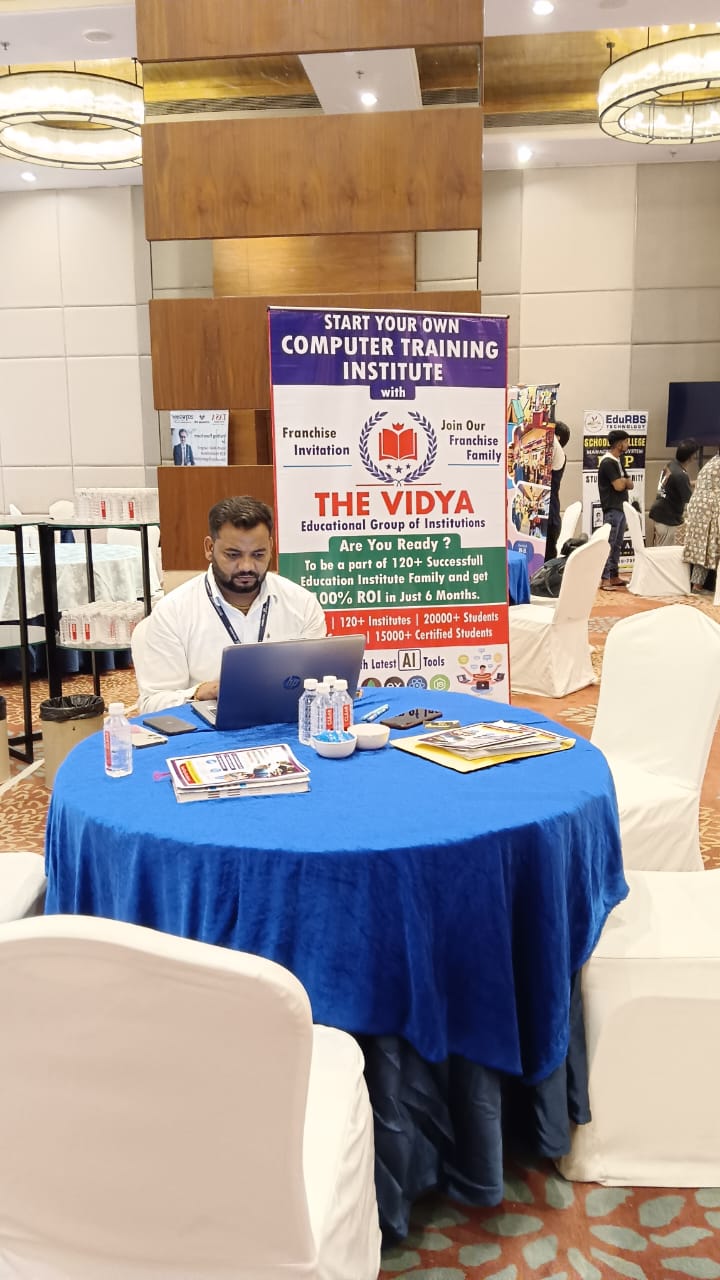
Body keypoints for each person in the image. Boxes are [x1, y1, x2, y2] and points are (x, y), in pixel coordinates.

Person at [135, 495, 327, 712]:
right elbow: (152, 704)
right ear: (209, 548)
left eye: (258, 554)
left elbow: (319, 684)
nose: (246, 566)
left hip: (285, 721)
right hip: (206, 726)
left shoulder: (302, 604)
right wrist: (197, 693)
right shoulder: (173, 612)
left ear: (271, 547)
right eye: (233, 555)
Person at [597, 429, 634, 590]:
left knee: (617, 544)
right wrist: (624, 481)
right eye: (626, 441)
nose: (627, 444)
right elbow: (619, 485)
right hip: (612, 508)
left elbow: (630, 484)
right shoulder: (608, 462)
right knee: (609, 544)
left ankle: (613, 575)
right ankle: (604, 578)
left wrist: (624, 481)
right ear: (619, 444)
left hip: (621, 508)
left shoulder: (618, 461)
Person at [682, 452, 720, 594]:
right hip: (710, 510)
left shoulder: (712, 462)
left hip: (699, 509)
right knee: (708, 547)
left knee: (703, 548)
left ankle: (697, 585)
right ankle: (698, 586)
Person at [649, 440, 697, 546]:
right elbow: (688, 498)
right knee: (664, 551)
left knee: (661, 547)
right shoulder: (681, 475)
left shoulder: (671, 465)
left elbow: (673, 484)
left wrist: (692, 483)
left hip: (660, 512)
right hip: (667, 518)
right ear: (691, 457)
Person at [544, 421, 570, 561]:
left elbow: (550, 436)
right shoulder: (552, 455)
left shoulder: (559, 454)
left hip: (550, 520)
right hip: (548, 517)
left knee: (546, 565)